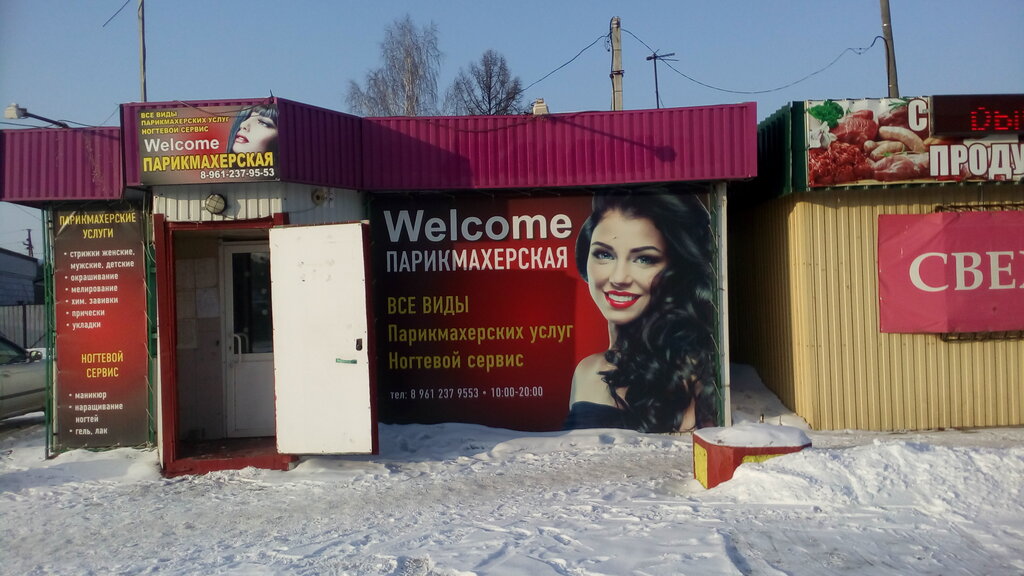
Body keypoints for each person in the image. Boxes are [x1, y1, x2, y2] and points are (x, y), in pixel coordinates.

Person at [565, 190, 719, 433]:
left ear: (677, 271)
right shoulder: (586, 370)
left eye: (644, 259)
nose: (618, 278)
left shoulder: (692, 376)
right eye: (604, 254)